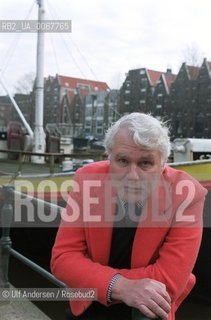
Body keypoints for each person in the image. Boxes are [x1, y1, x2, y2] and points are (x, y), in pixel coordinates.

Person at [51, 113, 207, 320]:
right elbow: (63, 259)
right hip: (90, 304)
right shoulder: (87, 180)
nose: (132, 175)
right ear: (109, 157)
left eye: (145, 163)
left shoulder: (187, 194)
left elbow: (169, 280)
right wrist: (121, 287)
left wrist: (99, 279)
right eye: (123, 161)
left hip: (149, 309)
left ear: (163, 165)